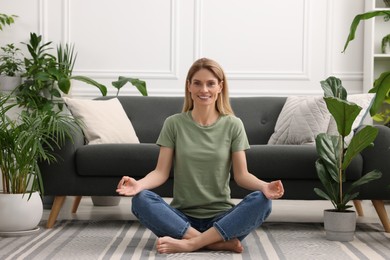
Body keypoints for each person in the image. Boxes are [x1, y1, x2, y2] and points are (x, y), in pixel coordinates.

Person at [116, 58, 284, 254]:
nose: (204, 89)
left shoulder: (233, 125)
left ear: (220, 87)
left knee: (262, 201)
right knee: (140, 199)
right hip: (181, 218)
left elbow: (242, 176)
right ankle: (214, 243)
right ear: (189, 86)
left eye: (210, 83)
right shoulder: (174, 124)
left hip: (222, 220)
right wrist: (139, 184)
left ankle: (190, 243)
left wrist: (265, 186)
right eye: (197, 83)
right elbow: (160, 173)